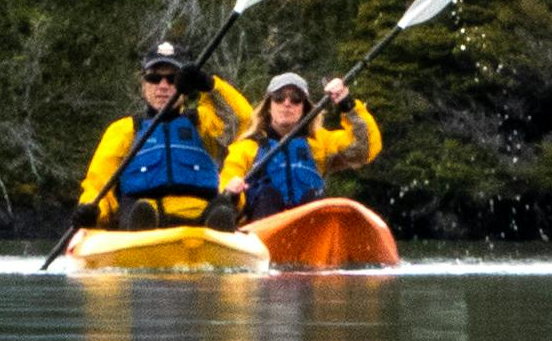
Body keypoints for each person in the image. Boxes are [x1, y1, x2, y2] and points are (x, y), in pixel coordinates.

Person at [78, 40, 256, 229]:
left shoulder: (203, 123)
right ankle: (143, 232)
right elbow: (98, 184)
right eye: (154, 78)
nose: (163, 86)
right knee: (138, 209)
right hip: (144, 218)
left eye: (172, 79)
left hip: (200, 224)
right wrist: (93, 209)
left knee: (221, 208)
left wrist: (209, 85)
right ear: (143, 85)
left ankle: (217, 231)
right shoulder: (124, 130)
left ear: (185, 87)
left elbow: (242, 118)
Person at [222, 70, 382, 223]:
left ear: (304, 108)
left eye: (296, 98)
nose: (287, 103)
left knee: (313, 196)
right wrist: (232, 193)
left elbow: (364, 148)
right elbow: (225, 184)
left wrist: (347, 105)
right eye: (279, 97)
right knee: (268, 194)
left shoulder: (320, 143)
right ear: (269, 106)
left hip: (308, 231)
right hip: (262, 231)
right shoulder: (246, 147)